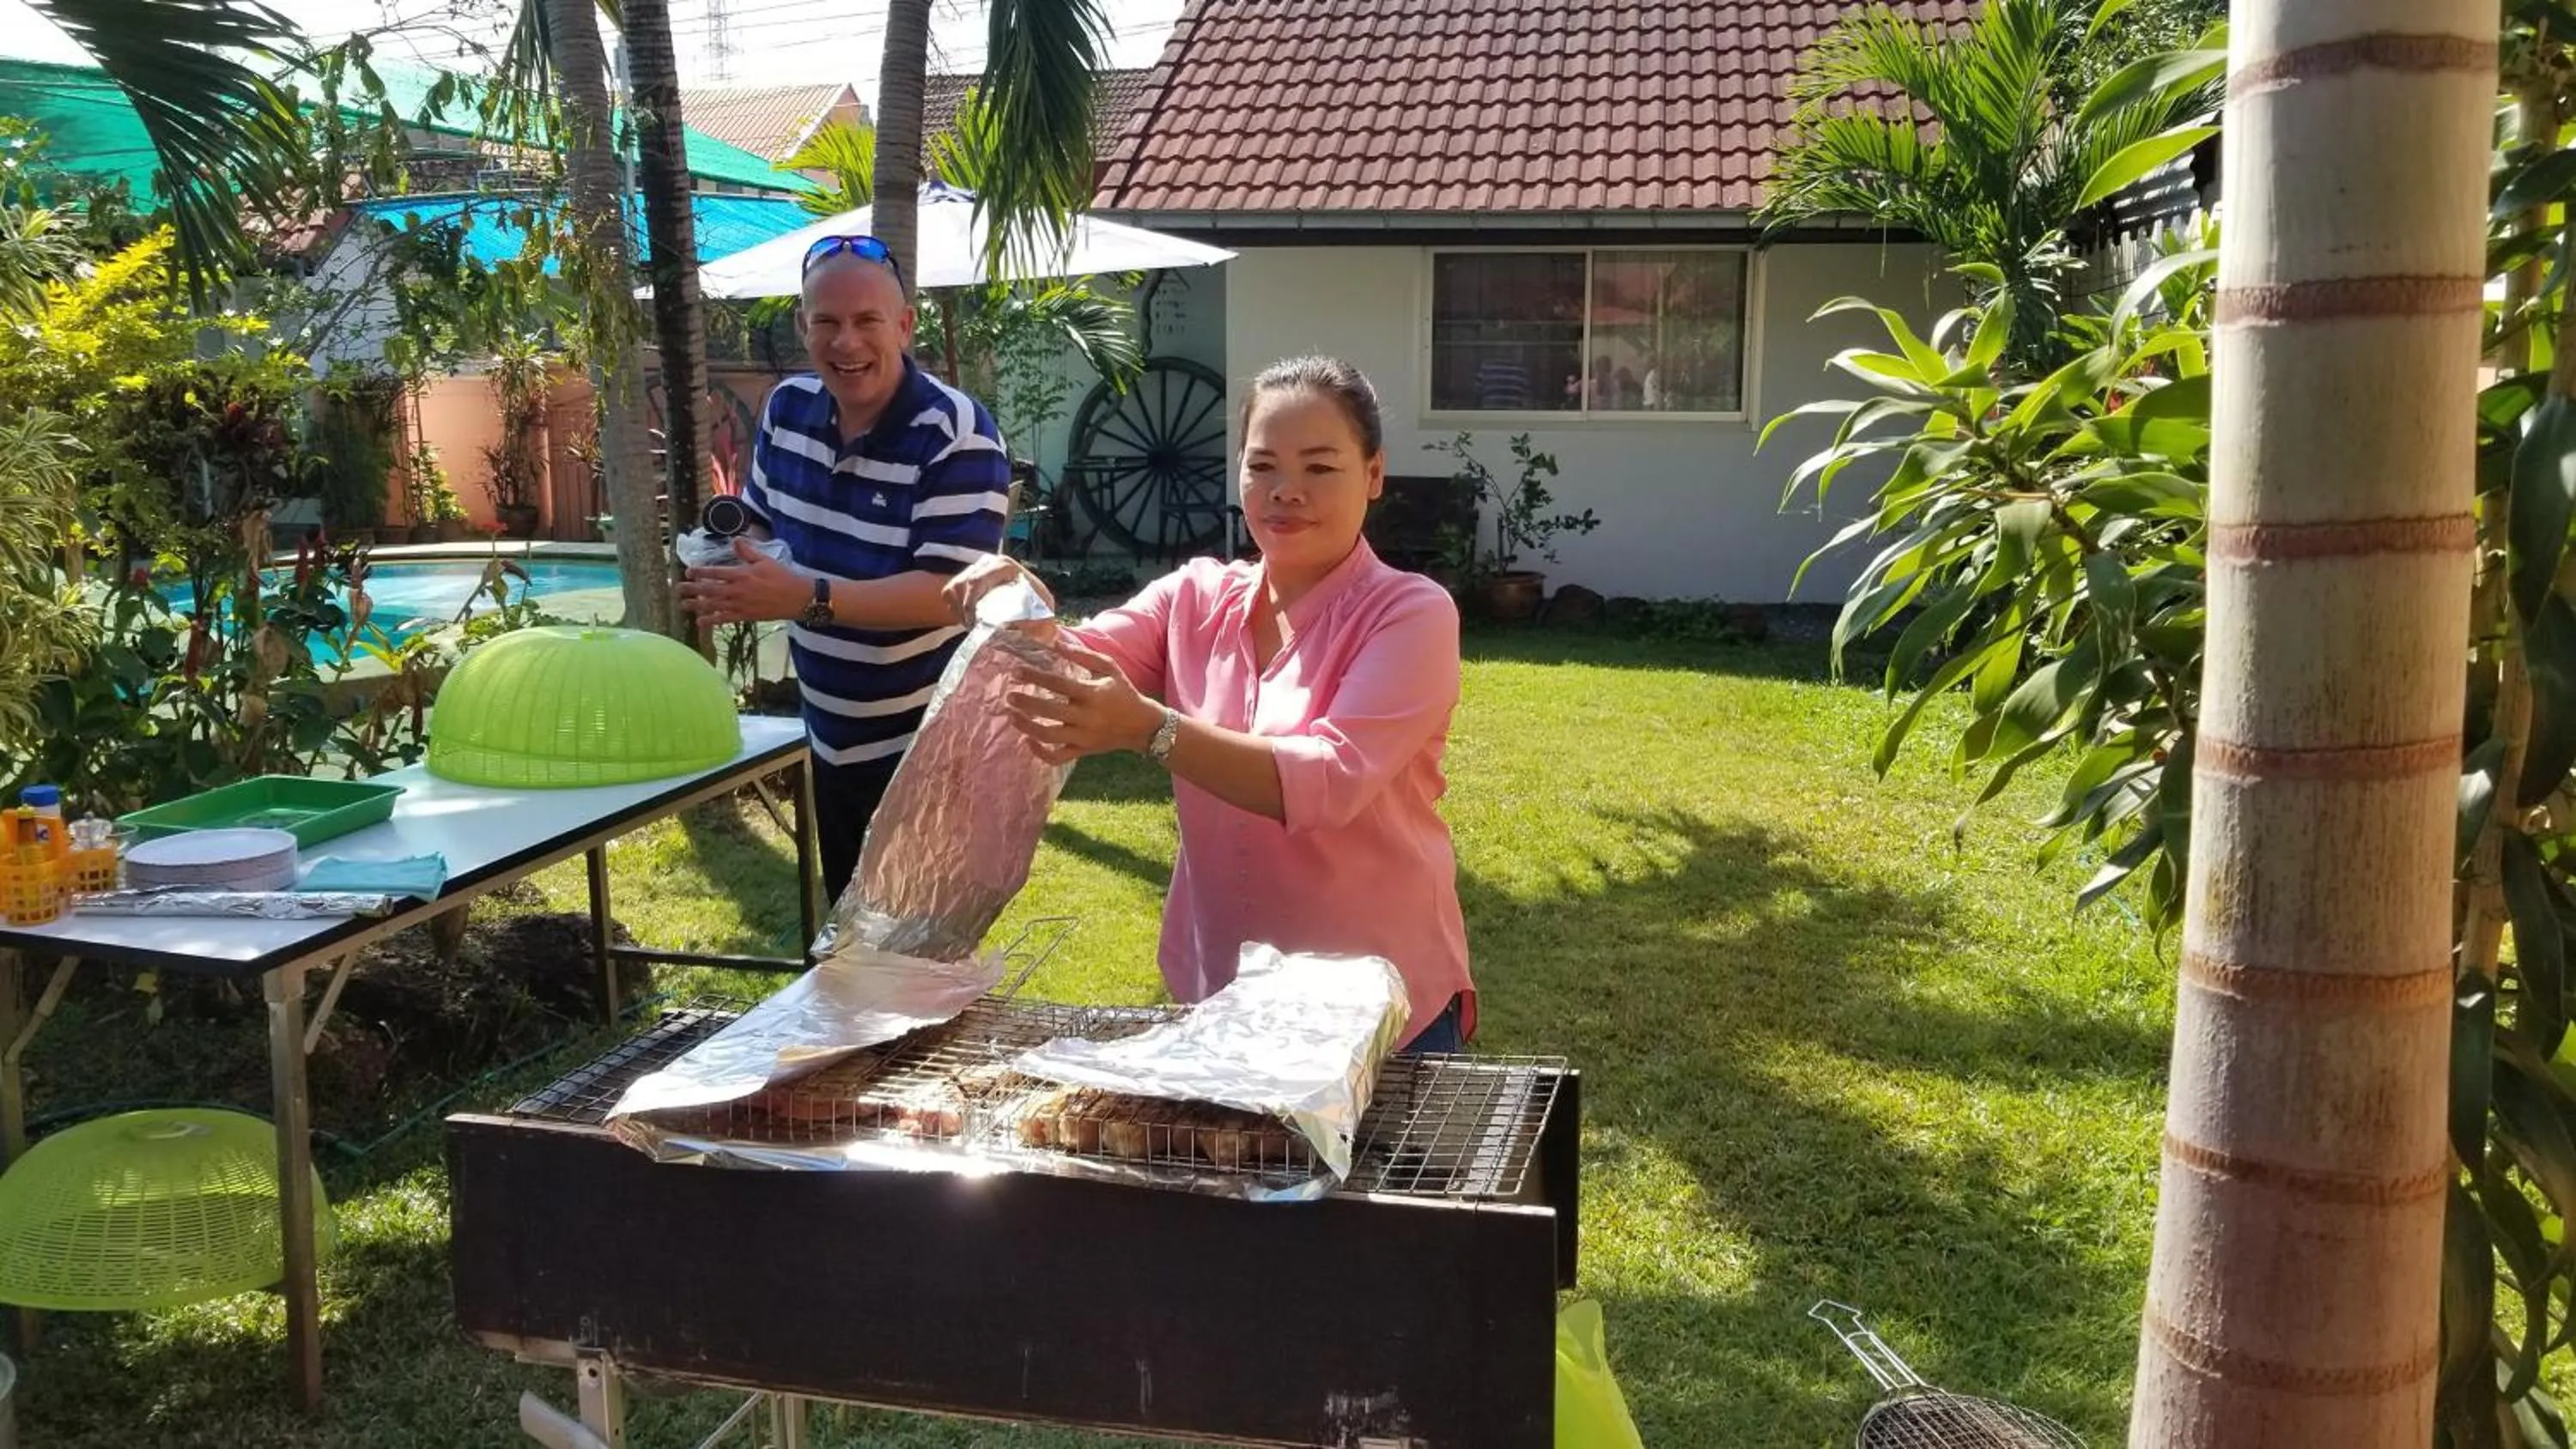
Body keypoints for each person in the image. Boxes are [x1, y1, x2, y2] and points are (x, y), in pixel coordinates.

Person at [945, 356, 1474, 1054]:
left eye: (1320, 468)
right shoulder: (1195, 597)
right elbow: (1068, 663)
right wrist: (1014, 602)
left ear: (1373, 475)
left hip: (1381, 1007)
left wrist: (1151, 730)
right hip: (1227, 997)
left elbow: (1331, 778)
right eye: (1262, 467)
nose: (1286, 492)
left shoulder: (1410, 613)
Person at [678, 235, 1011, 902]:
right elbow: (764, 517)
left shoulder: (958, 434)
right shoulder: (788, 410)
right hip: (831, 735)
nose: (846, 343)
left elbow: (950, 595)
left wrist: (806, 598)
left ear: (905, 326)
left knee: (915, 962)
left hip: (926, 751)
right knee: (852, 947)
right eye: (826, 321)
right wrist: (725, 556)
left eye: (867, 322)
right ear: (803, 326)